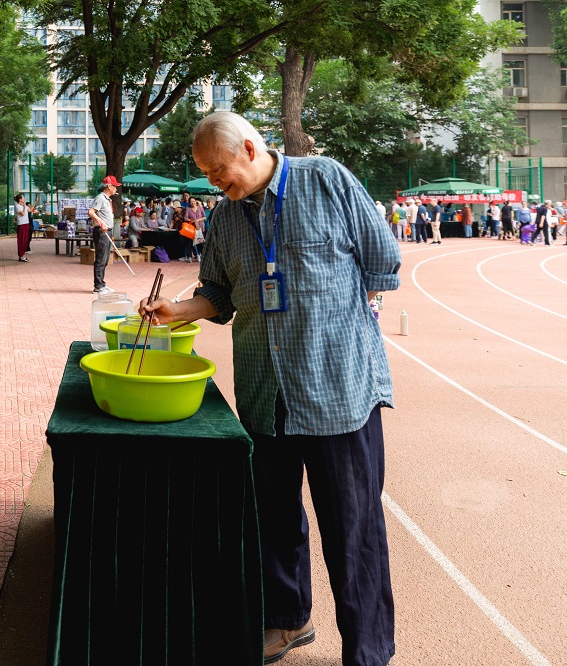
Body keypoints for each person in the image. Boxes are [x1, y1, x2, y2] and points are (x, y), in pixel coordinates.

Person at [140, 112, 400, 666]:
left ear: (251, 148)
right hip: (265, 390)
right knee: (273, 521)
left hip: (338, 392)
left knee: (354, 531)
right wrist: (176, 310)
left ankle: (369, 652)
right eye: (206, 173)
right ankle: (287, 621)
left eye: (219, 170)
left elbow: (382, 262)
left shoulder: (326, 179)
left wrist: (336, 324)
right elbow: (218, 293)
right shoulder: (226, 218)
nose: (214, 182)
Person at [89, 175, 119, 293]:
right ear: (109, 186)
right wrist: (100, 222)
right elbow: (91, 212)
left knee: (105, 259)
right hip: (101, 231)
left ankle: (102, 283)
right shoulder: (100, 198)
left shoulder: (107, 199)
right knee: (101, 259)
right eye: (115, 186)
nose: (116, 189)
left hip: (107, 231)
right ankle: (98, 286)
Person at [14, 194, 30, 261]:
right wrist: (24, 206)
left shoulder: (24, 206)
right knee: (21, 240)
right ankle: (21, 256)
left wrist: (35, 202)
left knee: (25, 240)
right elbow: (22, 213)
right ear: (20, 199)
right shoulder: (17, 206)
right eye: (23, 197)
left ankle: (22, 255)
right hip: (21, 224)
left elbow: (30, 210)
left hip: (26, 223)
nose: (24, 198)